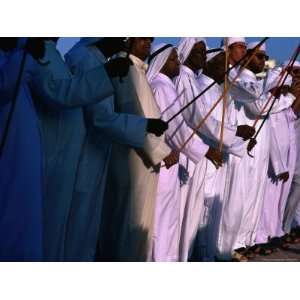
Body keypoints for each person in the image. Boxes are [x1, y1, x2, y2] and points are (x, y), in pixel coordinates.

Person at [64, 37, 168, 261]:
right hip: (87, 155)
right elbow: (101, 117)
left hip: (97, 153)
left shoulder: (98, 59)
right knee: (80, 228)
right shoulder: (92, 61)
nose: (123, 39)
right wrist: (147, 129)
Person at [99, 37, 177, 261]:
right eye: (142, 39)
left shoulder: (137, 69)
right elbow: (133, 114)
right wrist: (162, 151)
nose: (147, 44)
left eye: (149, 40)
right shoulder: (126, 68)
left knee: (138, 222)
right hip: (133, 159)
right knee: (129, 221)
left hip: (143, 159)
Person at [147, 43, 209, 261]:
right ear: (162, 61)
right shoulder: (162, 87)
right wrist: (204, 150)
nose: (178, 62)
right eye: (174, 59)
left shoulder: (162, 85)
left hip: (166, 160)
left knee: (165, 219)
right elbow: (176, 127)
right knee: (162, 221)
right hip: (164, 161)